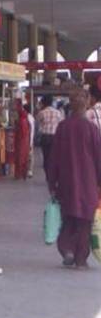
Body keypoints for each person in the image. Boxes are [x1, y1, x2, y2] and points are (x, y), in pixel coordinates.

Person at [48, 88, 101, 269]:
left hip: (66, 181)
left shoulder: (63, 127)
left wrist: (51, 181)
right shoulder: (92, 129)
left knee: (68, 217)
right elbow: (98, 158)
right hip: (88, 182)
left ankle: (67, 249)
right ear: (86, 104)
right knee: (85, 221)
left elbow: (53, 157)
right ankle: (80, 259)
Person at [36, 95, 64, 177]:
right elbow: (61, 124)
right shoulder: (58, 113)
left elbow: (38, 123)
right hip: (56, 137)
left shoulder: (41, 113)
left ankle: (48, 176)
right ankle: (55, 175)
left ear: (44, 103)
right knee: (55, 157)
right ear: (52, 103)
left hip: (45, 137)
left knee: (46, 157)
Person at [13, 101, 30, 180]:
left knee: (20, 158)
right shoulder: (26, 120)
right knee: (23, 158)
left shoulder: (21, 121)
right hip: (24, 142)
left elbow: (22, 133)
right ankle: (23, 174)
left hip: (21, 142)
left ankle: (19, 174)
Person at [24, 104, 35, 178]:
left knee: (29, 155)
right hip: (30, 139)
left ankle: (29, 170)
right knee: (29, 155)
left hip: (28, 139)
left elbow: (30, 130)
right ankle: (29, 170)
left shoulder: (27, 118)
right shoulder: (31, 117)